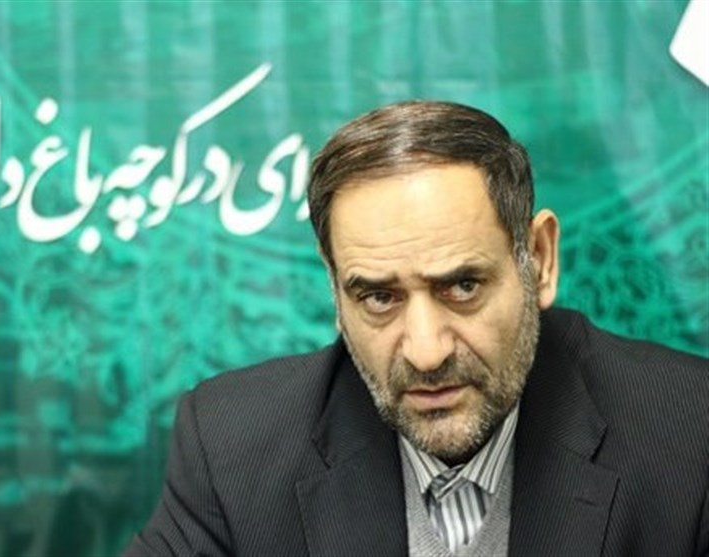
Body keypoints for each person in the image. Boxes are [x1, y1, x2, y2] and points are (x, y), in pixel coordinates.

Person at [124, 101, 708, 557]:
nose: (426, 352)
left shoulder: (691, 435)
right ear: (335, 290)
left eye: (463, 286)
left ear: (539, 259)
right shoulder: (233, 448)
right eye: (379, 297)